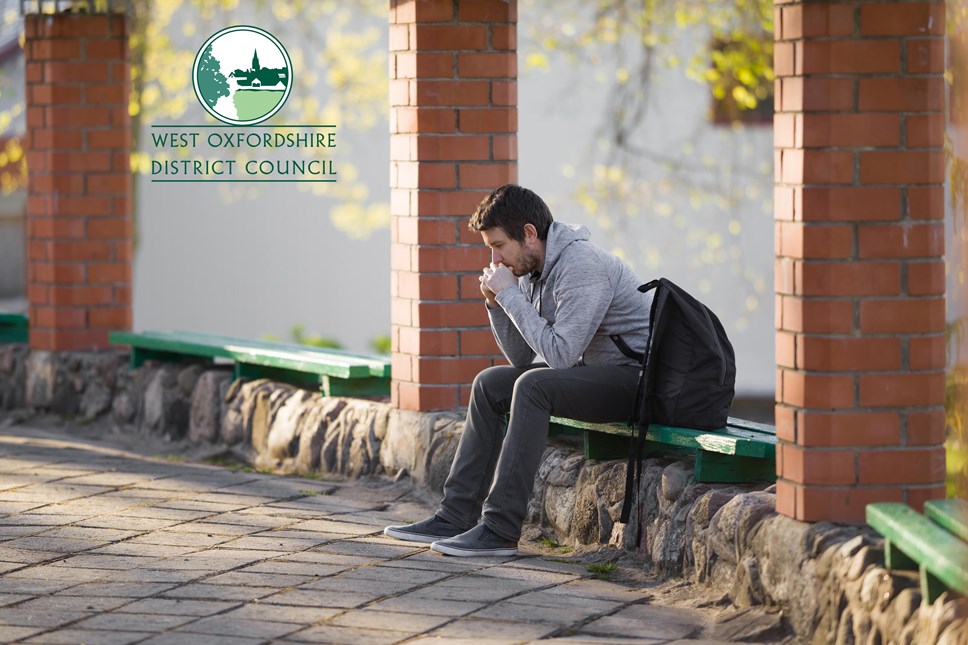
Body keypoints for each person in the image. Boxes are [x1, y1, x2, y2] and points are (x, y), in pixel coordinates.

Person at [384, 184, 652, 556]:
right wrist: (497, 304)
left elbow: (559, 356)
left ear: (529, 233)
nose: (495, 259)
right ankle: (455, 515)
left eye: (498, 246)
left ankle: (499, 528)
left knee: (533, 387)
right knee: (492, 382)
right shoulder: (531, 269)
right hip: (594, 375)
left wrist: (510, 296)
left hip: (636, 381)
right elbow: (521, 358)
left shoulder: (582, 265)